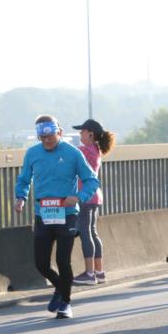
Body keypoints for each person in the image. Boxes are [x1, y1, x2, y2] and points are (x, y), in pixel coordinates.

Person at [14, 115, 100, 319]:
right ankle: (61, 288)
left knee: (63, 261)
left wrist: (78, 197)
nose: (46, 141)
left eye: (50, 136)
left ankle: (65, 304)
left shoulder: (73, 153)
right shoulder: (32, 153)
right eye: (42, 138)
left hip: (67, 214)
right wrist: (21, 197)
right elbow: (24, 179)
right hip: (43, 213)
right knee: (41, 263)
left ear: (59, 132)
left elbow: (91, 181)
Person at [71, 118, 115, 285]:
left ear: (90, 134)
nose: (79, 134)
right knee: (93, 232)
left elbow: (68, 154)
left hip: (85, 196)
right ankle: (99, 271)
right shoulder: (95, 149)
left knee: (85, 233)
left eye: (82, 131)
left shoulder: (85, 151)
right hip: (95, 196)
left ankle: (89, 274)